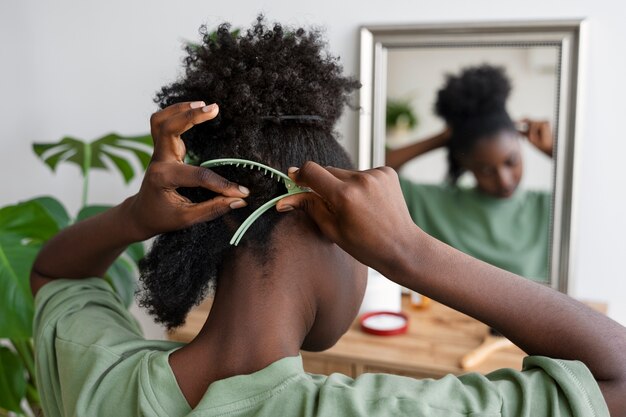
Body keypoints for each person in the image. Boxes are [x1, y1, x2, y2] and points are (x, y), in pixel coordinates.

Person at [30, 19, 624, 417]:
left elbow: (55, 275)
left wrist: (137, 216)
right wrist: (407, 251)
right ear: (323, 224)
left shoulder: (101, 380)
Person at [386, 65, 553, 281]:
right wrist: (443, 139)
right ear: (467, 165)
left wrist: (554, 149)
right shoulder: (435, 205)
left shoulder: (547, 209)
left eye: (511, 161)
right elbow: (369, 169)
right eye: (486, 170)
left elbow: (599, 198)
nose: (504, 180)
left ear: (521, 148)